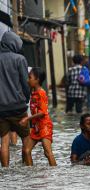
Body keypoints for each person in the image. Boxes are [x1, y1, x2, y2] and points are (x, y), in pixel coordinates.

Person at [0, 31, 31, 167]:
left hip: (1, 109)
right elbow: (25, 82)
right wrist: (26, 98)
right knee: (26, 139)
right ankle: (26, 167)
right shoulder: (20, 59)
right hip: (18, 106)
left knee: (4, 142)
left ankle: (5, 170)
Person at [21, 67, 57, 166]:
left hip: (44, 126)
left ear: (37, 80)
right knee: (26, 150)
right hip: (37, 128)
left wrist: (27, 118)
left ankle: (55, 175)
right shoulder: (34, 93)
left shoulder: (41, 93)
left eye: (30, 77)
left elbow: (42, 112)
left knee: (48, 152)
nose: (27, 80)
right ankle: (30, 172)